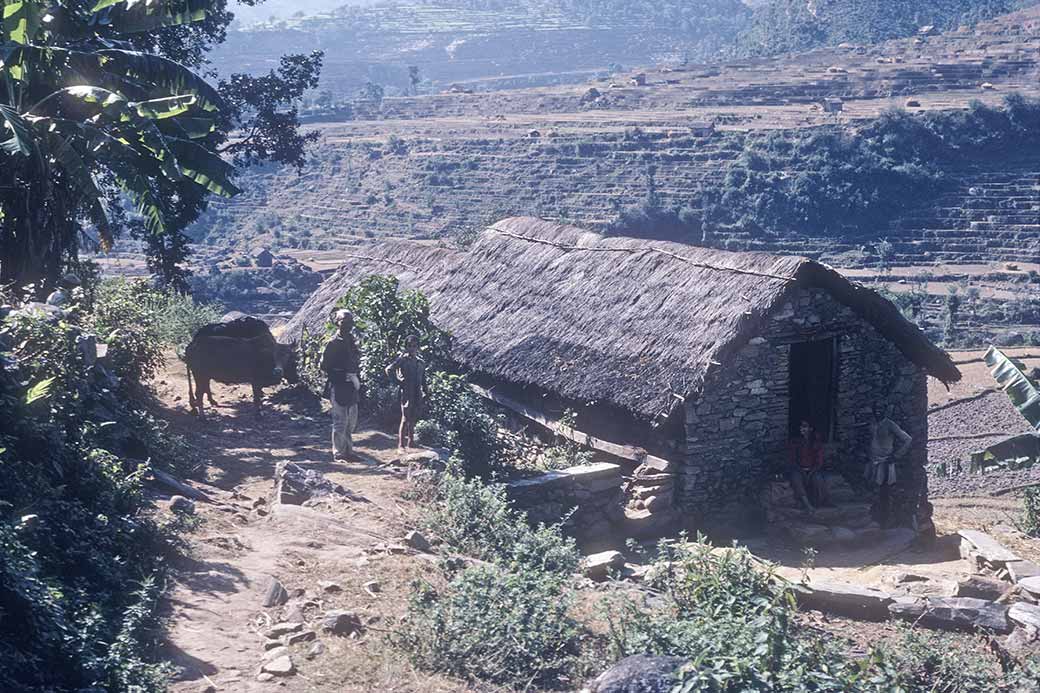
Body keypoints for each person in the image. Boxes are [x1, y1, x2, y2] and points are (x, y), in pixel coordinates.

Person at [321, 310, 361, 461]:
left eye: (350, 322)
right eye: (344, 322)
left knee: (351, 421)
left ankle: (349, 451)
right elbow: (324, 365)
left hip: (351, 385)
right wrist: (340, 373)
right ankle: (338, 453)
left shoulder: (352, 341)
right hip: (338, 384)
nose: (348, 325)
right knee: (340, 421)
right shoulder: (332, 343)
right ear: (337, 322)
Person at [865, 403, 913, 527]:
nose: (879, 412)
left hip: (885, 463)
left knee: (885, 492)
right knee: (873, 491)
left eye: (881, 409)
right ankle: (874, 519)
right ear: (874, 411)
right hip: (873, 462)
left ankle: (885, 521)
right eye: (877, 409)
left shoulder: (890, 424)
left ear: (885, 411)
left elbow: (908, 439)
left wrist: (896, 456)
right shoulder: (872, 424)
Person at [385, 335, 427, 451]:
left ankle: (411, 442)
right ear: (406, 347)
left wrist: (426, 391)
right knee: (405, 417)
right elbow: (389, 369)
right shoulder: (403, 360)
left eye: (414, 346)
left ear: (418, 347)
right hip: (407, 391)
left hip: (417, 391)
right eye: (409, 346)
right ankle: (401, 445)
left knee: (414, 416)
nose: (412, 348)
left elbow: (423, 378)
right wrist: (399, 382)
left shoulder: (421, 362)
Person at [787, 419, 828, 512]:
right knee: (796, 478)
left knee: (818, 479)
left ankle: (817, 503)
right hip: (798, 469)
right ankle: (807, 504)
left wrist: (810, 473)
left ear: (810, 429)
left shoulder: (816, 443)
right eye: (801, 426)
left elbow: (819, 462)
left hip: (813, 470)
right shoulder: (795, 441)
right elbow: (792, 460)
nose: (801, 428)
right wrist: (802, 471)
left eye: (804, 426)